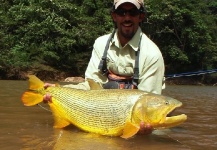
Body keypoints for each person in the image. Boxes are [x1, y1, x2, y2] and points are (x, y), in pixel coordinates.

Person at [43, 0, 165, 135]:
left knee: (155, 135)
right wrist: (59, 91)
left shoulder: (153, 55)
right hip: (104, 111)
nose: (127, 18)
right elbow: (90, 86)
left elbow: (149, 102)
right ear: (114, 16)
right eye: (121, 12)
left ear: (141, 16)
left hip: (133, 116)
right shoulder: (100, 44)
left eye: (133, 12)